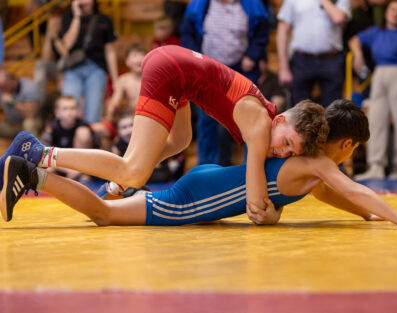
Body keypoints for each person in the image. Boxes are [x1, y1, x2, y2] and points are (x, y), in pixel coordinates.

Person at [0, 99, 397, 232]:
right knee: (104, 215)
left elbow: (344, 199)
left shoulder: (309, 171)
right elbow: (354, 189)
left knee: (122, 194)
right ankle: (37, 169)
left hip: (208, 179)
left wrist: (371, 216)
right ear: (345, 144)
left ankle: (37, 170)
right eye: (349, 153)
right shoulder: (315, 163)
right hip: (198, 198)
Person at [0, 45, 329, 224]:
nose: (282, 152)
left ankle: (114, 185)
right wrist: (272, 214)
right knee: (135, 169)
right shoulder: (260, 126)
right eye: (286, 143)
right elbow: (256, 204)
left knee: (180, 141)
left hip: (177, 70)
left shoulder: (264, 118)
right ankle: (38, 152)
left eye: (289, 153)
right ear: (281, 120)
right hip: (172, 70)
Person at [180, 0, 270, 166]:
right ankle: (207, 169)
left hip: (241, 69)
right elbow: (187, 34)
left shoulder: (253, 5)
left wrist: (252, 55)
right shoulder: (199, 4)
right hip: (208, 69)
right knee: (207, 121)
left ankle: (251, 167)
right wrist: (195, 59)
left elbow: (262, 32)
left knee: (249, 119)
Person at [350, 0, 397, 179]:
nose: (395, 13)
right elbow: (354, 40)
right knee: (376, 119)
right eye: (393, 9)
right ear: (386, 12)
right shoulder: (376, 32)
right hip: (379, 74)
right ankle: (376, 166)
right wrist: (359, 54)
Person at [276, 0, 350, 107]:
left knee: (333, 111)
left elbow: (338, 18)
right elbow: (282, 30)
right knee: (298, 110)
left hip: (331, 60)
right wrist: (283, 67)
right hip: (302, 60)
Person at [60, 0, 118, 124]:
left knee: (93, 114)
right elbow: (68, 44)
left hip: (97, 68)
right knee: (67, 111)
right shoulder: (68, 18)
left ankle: (87, 141)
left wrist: (115, 79)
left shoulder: (104, 19)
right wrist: (77, 16)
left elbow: (110, 51)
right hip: (73, 68)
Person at [42, 95, 97, 181]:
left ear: (77, 110)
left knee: (85, 178)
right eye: (65, 109)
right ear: (57, 112)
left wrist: (79, 170)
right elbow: (45, 155)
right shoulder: (51, 129)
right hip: (60, 166)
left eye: (73, 108)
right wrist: (64, 169)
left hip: (82, 168)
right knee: (47, 171)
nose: (69, 112)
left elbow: (94, 154)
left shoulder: (85, 126)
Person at [105, 44, 147, 120]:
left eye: (142, 55)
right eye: (134, 55)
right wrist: (112, 110)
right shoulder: (124, 80)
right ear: (127, 62)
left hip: (151, 117)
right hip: (132, 117)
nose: (139, 59)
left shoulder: (152, 78)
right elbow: (115, 101)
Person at [0, 70, 42, 138]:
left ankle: (35, 147)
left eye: (4, 86)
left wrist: (12, 102)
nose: (2, 90)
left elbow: (30, 114)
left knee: (28, 124)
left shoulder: (29, 87)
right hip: (12, 124)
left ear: (13, 81)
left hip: (32, 122)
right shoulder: (2, 88)